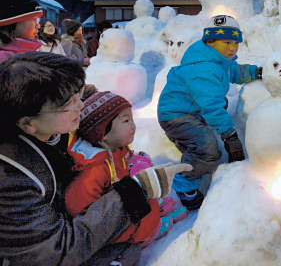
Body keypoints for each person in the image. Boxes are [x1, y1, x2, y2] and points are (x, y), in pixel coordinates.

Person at [0, 52, 191, 266]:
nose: (80, 105)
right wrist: (134, 192)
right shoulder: (11, 177)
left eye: (77, 94)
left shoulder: (55, 127)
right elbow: (54, 252)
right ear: (28, 124)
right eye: (67, 102)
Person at [157, 14, 262, 210]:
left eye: (236, 43)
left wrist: (257, 72)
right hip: (177, 116)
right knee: (206, 150)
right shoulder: (204, 68)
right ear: (210, 41)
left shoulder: (218, 60)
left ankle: (190, 168)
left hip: (190, 112)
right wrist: (230, 137)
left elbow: (236, 72)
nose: (232, 48)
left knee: (201, 144)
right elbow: (211, 106)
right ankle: (183, 186)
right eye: (227, 43)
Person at [65, 91, 187, 246]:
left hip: (123, 200)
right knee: (148, 215)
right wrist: (127, 231)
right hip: (115, 225)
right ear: (103, 134)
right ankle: (150, 230)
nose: (133, 125)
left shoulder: (115, 150)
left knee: (142, 166)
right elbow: (80, 211)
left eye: (132, 119)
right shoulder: (94, 170)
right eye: (126, 121)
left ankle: (156, 210)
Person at [0, 0, 42, 64]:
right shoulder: (6, 61)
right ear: (11, 23)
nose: (38, 26)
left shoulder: (24, 54)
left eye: (39, 20)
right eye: (34, 19)